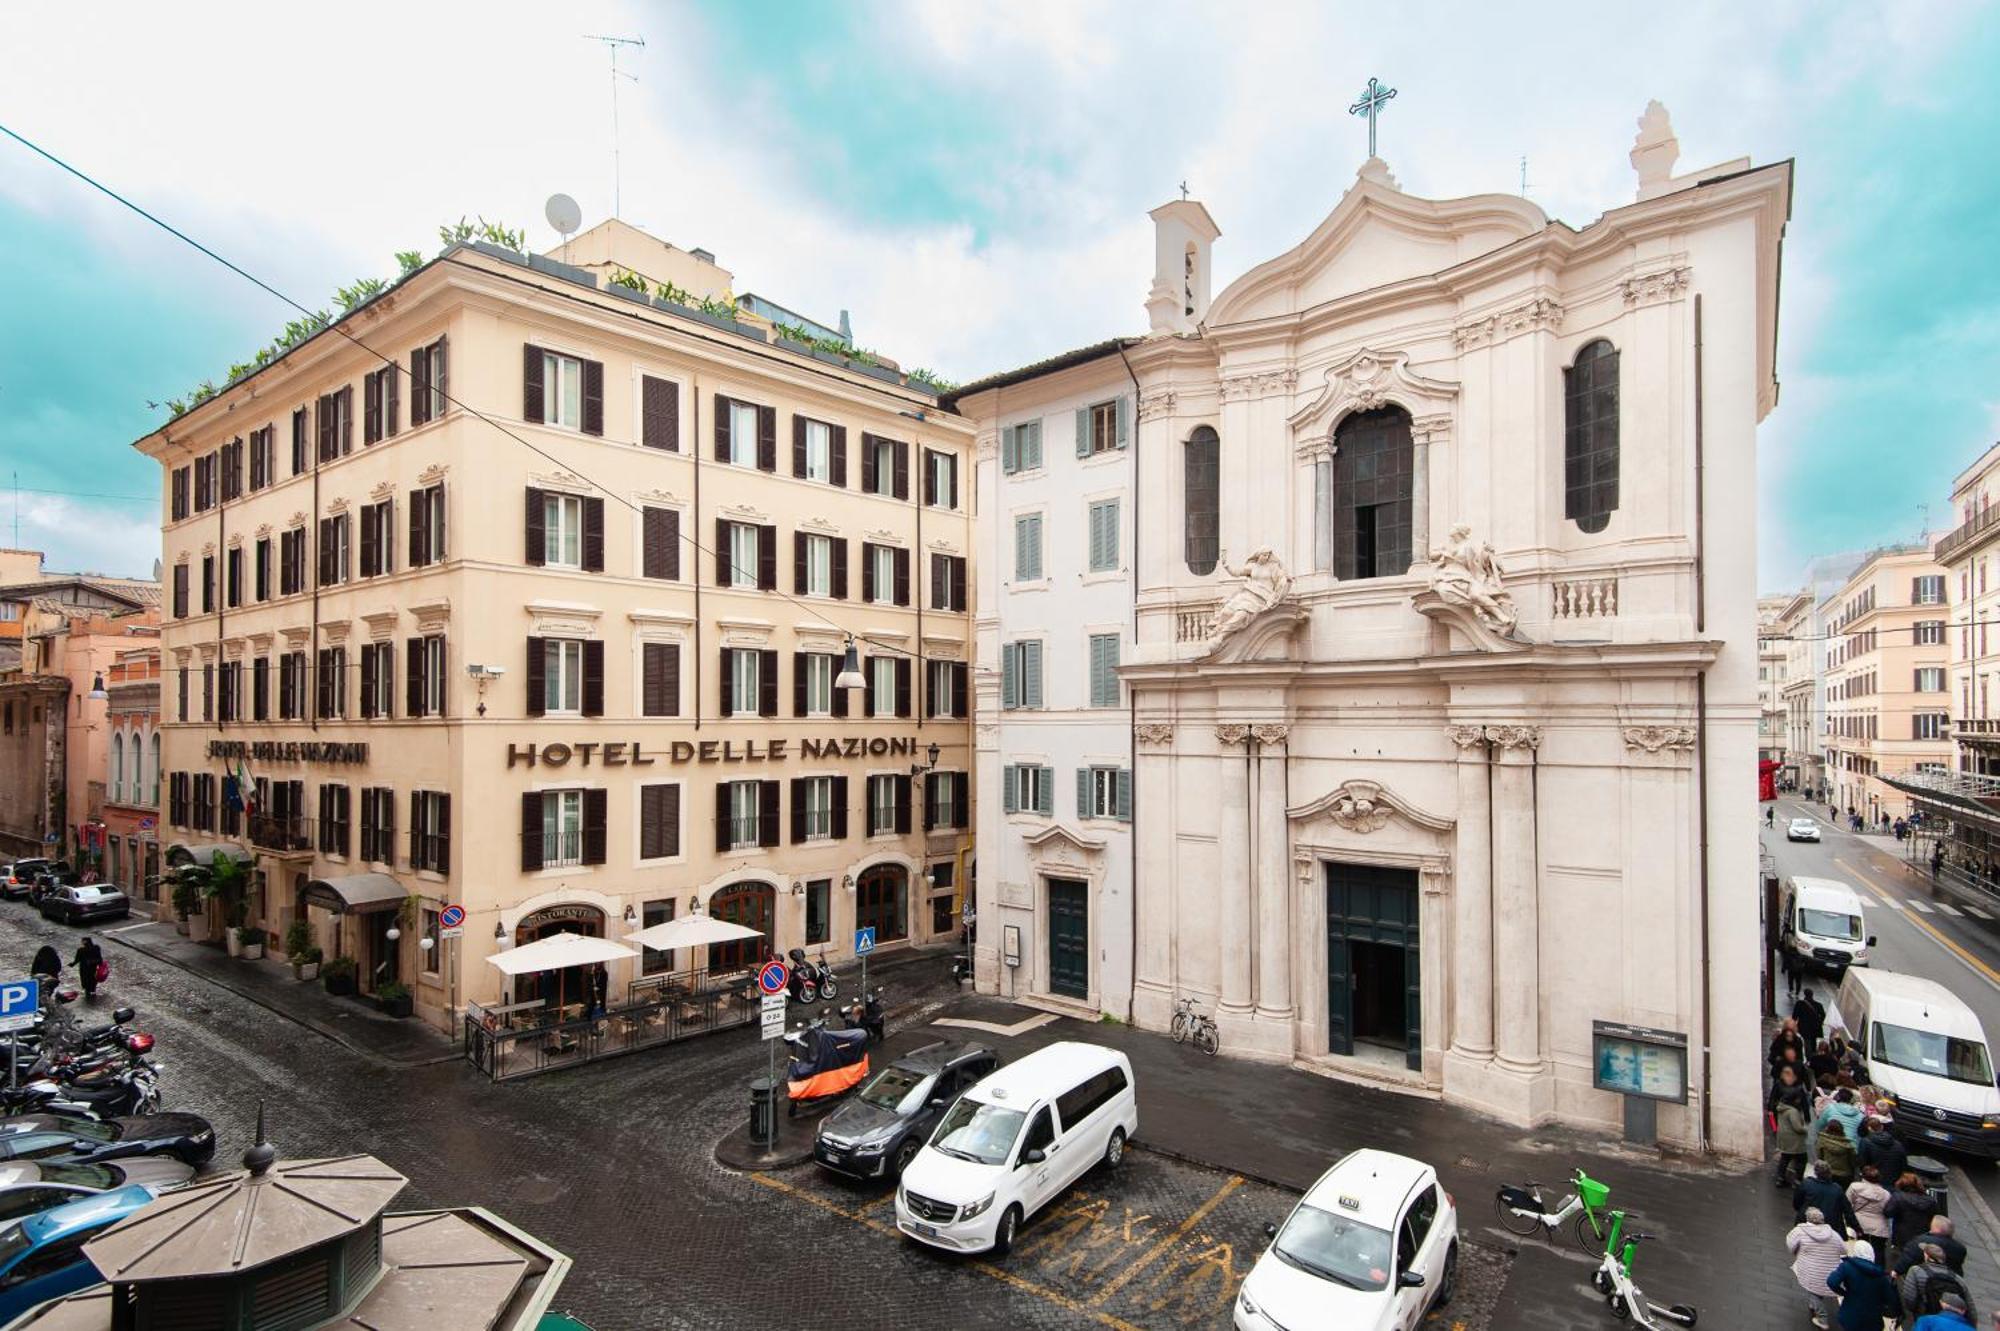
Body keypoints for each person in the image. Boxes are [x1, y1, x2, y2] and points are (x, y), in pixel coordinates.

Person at [1788, 1206, 1847, 1330]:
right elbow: (1843, 1250)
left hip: (1810, 1269)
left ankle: (1822, 1319)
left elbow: (1790, 1244)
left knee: (1813, 1291)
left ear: (1807, 1218)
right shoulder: (1833, 1234)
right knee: (1817, 1289)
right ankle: (1814, 1305)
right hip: (1828, 1270)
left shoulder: (1800, 1231)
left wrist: (1797, 1252)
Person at [1827, 1237, 1901, 1331]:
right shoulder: (1879, 1275)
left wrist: (1844, 1293)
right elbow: (1891, 1299)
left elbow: (1831, 1282)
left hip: (1850, 1315)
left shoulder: (1847, 1266)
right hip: (1872, 1319)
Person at [1901, 1242, 1975, 1324]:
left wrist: (1917, 1310)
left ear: (1927, 1257)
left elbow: (1909, 1299)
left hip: (1925, 1317)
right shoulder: (1958, 1279)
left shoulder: (1916, 1270)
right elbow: (1971, 1308)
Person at [1885, 1173, 1940, 1257]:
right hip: (1921, 1236)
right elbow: (1934, 1217)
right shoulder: (1930, 1201)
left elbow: (1888, 1212)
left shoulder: (1898, 1197)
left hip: (1901, 1237)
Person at [1857, 1120, 1909, 1209]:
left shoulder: (1865, 1142)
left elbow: (1862, 1162)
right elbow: (1904, 1165)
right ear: (1882, 1127)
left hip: (1873, 1181)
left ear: (1869, 1128)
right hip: (1892, 1182)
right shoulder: (1898, 1145)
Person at [1795, 1162, 1858, 1234]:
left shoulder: (1807, 1184)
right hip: (1830, 1227)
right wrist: (1856, 1227)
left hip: (1807, 1224)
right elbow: (1848, 1210)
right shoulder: (1837, 1189)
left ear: (1816, 1172)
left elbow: (1797, 1203)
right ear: (1830, 1173)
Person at [1847, 1164, 1892, 1264]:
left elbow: (1847, 1205)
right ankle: (1878, 1273)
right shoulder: (1886, 1194)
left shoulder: (1854, 1187)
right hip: (1879, 1227)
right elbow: (1887, 1210)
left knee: (1859, 1249)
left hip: (1859, 1223)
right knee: (1878, 1252)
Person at [1896, 1216, 1967, 1278]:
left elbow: (1908, 1258)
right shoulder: (1960, 1249)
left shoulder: (1921, 1241)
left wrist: (1897, 1271)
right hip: (1947, 1280)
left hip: (1923, 1276)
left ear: (1934, 1228)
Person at [1774, 1090, 1811, 1188]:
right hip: (1794, 1140)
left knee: (1785, 1158)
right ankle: (1797, 1180)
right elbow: (1797, 1127)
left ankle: (1780, 1178)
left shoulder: (1781, 1108)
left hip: (1783, 1137)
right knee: (1802, 1159)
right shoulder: (1793, 1111)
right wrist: (1806, 1130)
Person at [72, 935, 104, 1000]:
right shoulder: (96, 948)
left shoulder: (81, 950)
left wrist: (72, 964)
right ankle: (93, 990)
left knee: (85, 980)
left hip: (84, 968)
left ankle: (88, 993)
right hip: (93, 967)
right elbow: (99, 958)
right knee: (93, 978)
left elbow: (77, 959)